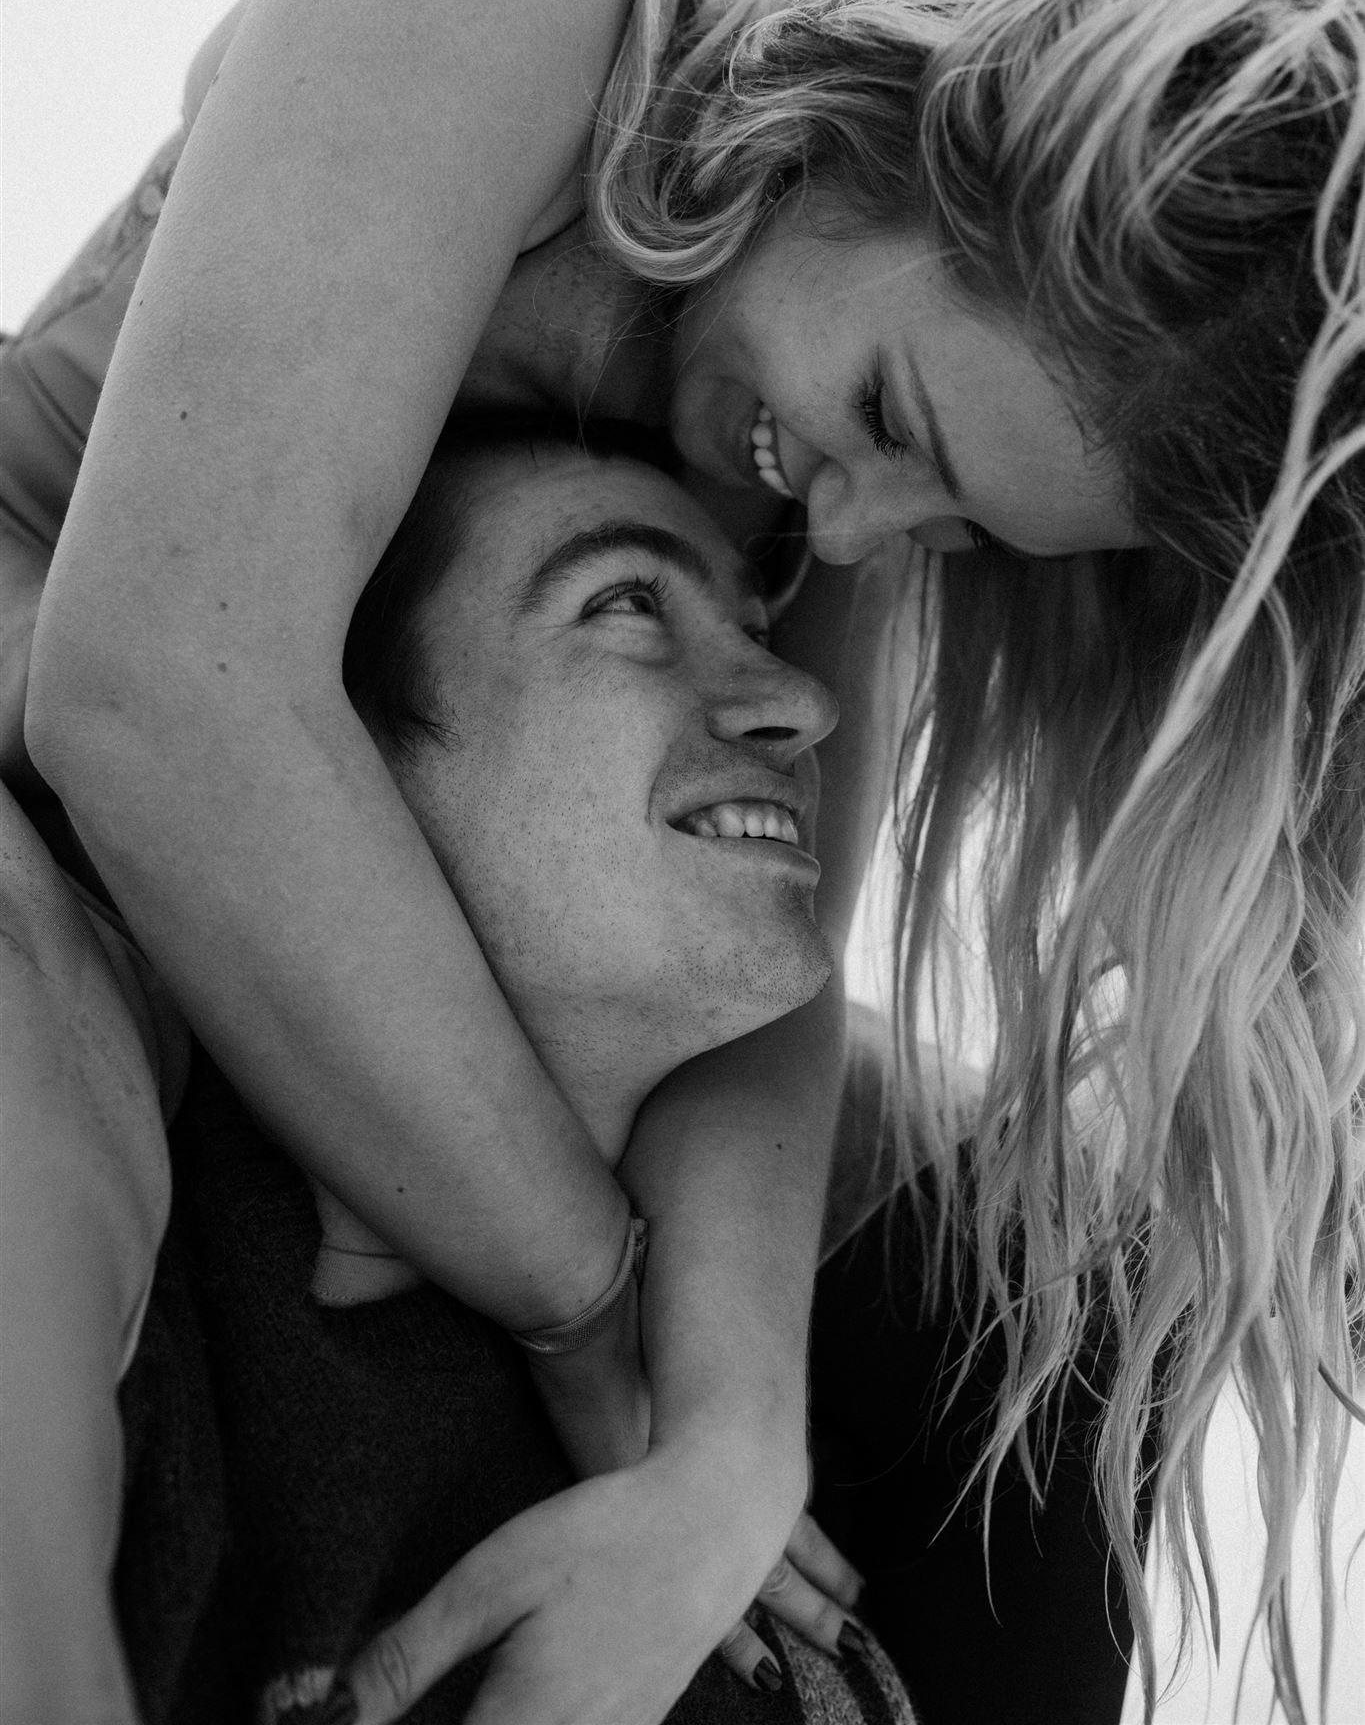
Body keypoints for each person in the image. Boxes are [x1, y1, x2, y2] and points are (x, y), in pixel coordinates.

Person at [2, 0, 1361, 1720]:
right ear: (893, 139)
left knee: (986, 1204)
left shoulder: (831, 475)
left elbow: (773, 975)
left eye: (957, 526)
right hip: (64, 728)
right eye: (889, 416)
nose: (862, 527)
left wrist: (724, 1453)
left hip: (371, 799)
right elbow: (156, 691)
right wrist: (584, 1306)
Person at [105, 413, 920, 1725]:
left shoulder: (727, 1570)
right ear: (336, 757)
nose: (803, 703)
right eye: (626, 604)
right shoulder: (102, 1286)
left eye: (760, 629)